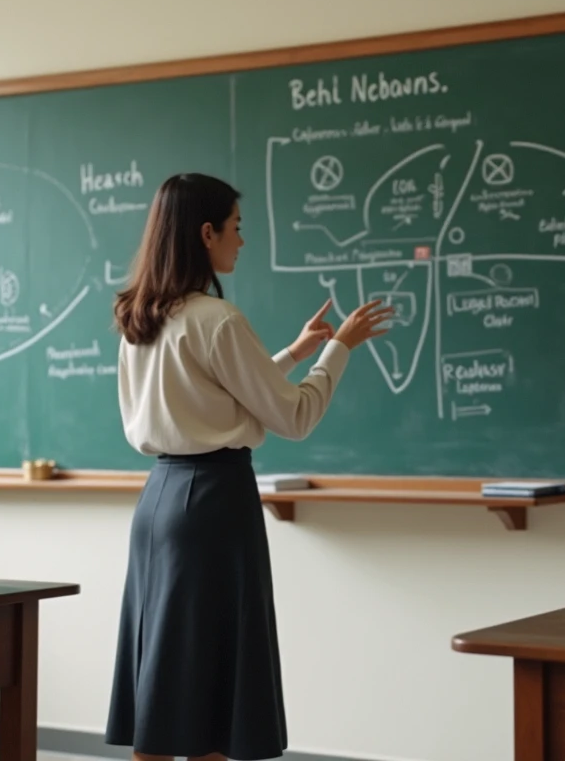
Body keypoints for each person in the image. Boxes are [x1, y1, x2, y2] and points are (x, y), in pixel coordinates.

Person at [105, 172, 394, 761]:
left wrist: (293, 353)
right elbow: (295, 416)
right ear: (206, 232)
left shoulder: (144, 315)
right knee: (214, 698)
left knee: (169, 685)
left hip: (159, 502)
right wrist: (340, 348)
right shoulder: (219, 320)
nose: (242, 241)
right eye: (236, 229)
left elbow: (218, 393)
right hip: (213, 506)